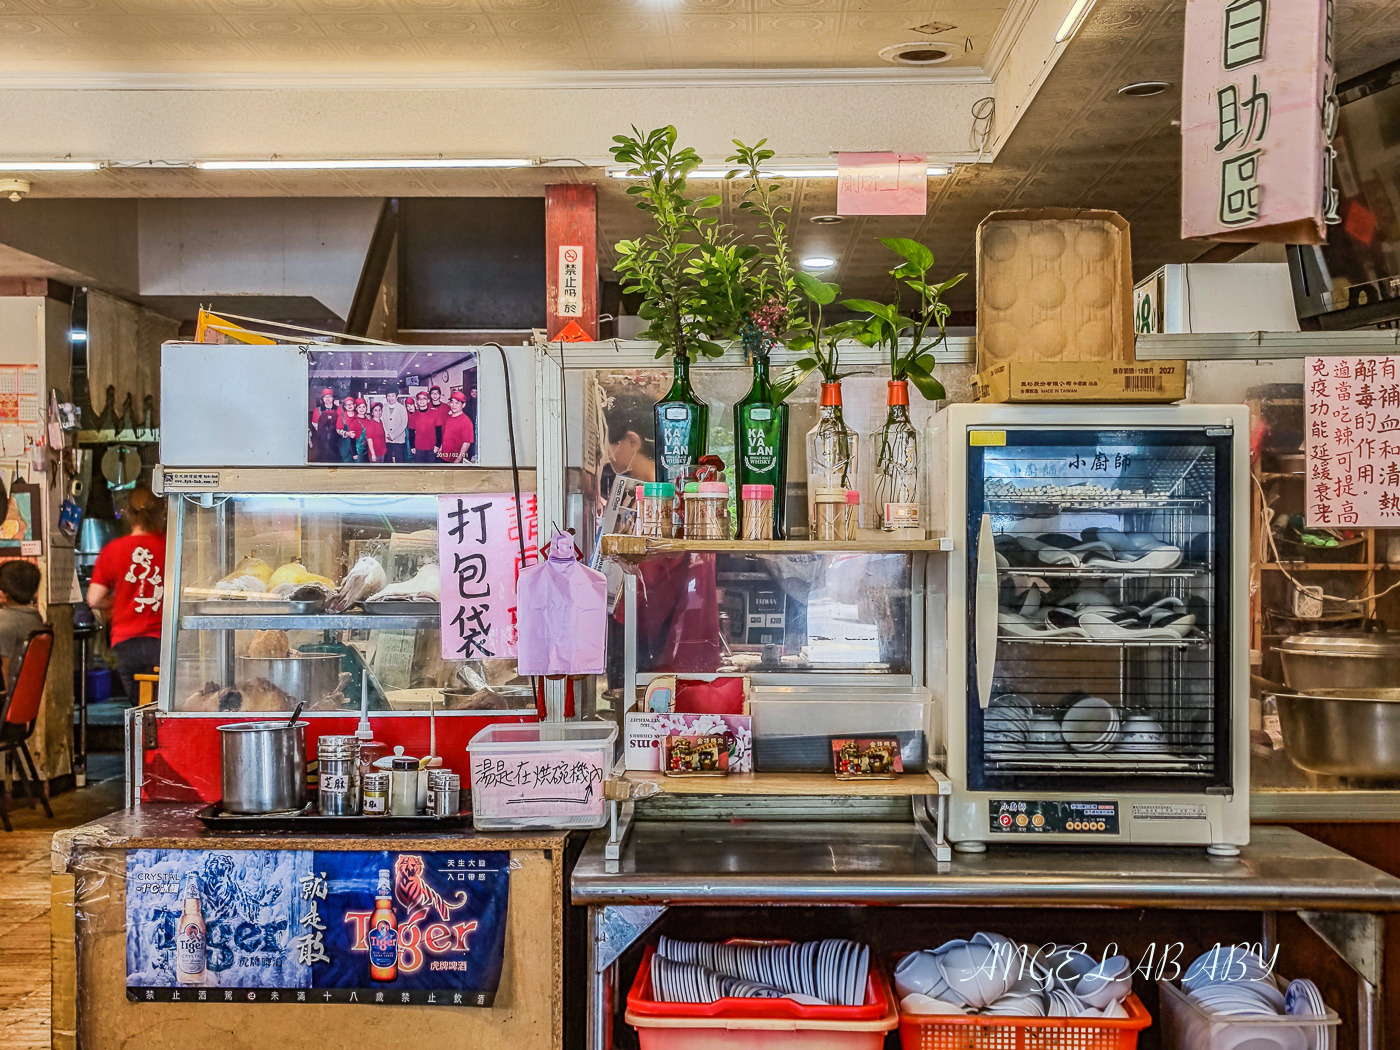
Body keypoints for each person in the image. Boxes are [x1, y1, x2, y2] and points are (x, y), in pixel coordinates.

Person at [87, 487, 165, 705]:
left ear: (128, 514)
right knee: (164, 709)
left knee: (140, 710)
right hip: (163, 642)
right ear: (162, 512)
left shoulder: (113, 549)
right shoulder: (170, 545)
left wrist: (117, 602)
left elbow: (93, 599)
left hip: (126, 643)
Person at [0, 561, 43, 699]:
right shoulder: (35, 619)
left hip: (5, 704)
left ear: (3, 592)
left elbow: (2, 675)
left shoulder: (5, 621)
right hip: (23, 702)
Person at [437, 390, 475, 463]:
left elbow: (466, 443)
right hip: (442, 456)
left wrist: (458, 459)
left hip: (453, 460)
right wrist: (441, 448)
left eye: (457, 403)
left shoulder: (466, 422)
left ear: (463, 405)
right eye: (452, 402)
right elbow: (445, 435)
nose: (454, 405)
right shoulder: (448, 418)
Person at [310, 388, 339, 462]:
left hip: (337, 442)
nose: (327, 399)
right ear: (322, 399)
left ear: (333, 398)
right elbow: (315, 425)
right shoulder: (318, 410)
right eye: (325, 397)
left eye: (329, 396)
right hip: (322, 442)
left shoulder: (339, 409)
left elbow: (342, 424)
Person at [411, 391, 438, 463]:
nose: (421, 401)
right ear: (417, 401)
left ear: (428, 400)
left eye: (424, 399)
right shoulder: (414, 415)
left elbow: (438, 430)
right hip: (418, 447)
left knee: (430, 470)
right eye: (419, 399)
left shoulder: (434, 413)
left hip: (431, 447)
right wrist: (412, 446)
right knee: (418, 469)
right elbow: (411, 432)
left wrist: (437, 445)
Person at [381, 389, 408, 463]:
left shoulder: (402, 408)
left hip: (399, 440)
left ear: (397, 397)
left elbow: (403, 424)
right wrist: (386, 434)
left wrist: (393, 435)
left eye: (393, 396)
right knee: (387, 460)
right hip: (387, 440)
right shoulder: (383, 408)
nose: (390, 398)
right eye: (388, 396)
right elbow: (381, 422)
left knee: (400, 460)